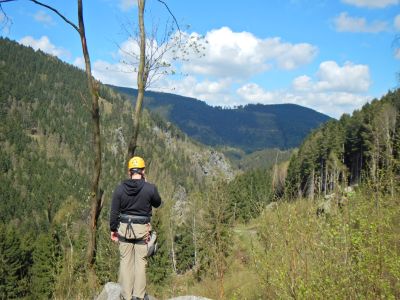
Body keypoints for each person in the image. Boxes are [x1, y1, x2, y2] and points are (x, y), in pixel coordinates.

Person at [110, 156, 162, 300]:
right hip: (142, 230)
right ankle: (138, 296)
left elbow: (114, 211)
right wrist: (148, 187)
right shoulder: (150, 188)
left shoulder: (120, 189)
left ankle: (126, 296)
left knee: (125, 262)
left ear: (129, 172)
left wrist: (113, 230)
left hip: (124, 229)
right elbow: (158, 203)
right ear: (143, 170)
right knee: (140, 262)